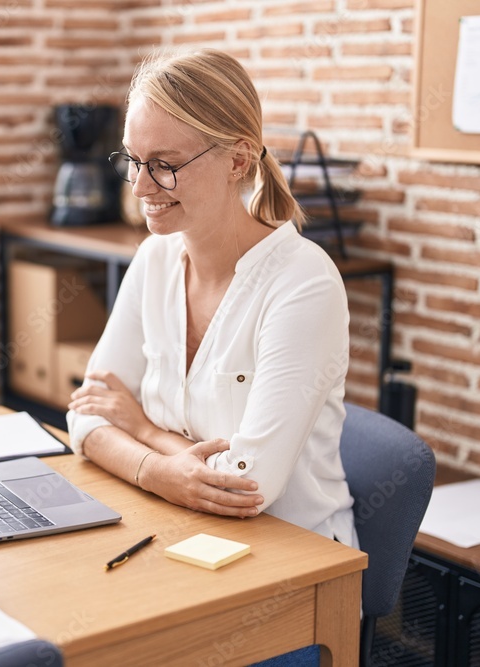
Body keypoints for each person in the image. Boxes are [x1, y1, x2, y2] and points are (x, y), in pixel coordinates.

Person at [66, 48, 356, 548]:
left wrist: (143, 431)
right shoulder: (155, 258)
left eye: (164, 164)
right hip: (179, 527)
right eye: (133, 161)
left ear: (238, 159)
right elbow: (87, 413)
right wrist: (158, 472)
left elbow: (248, 484)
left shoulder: (304, 284)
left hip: (291, 554)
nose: (139, 187)